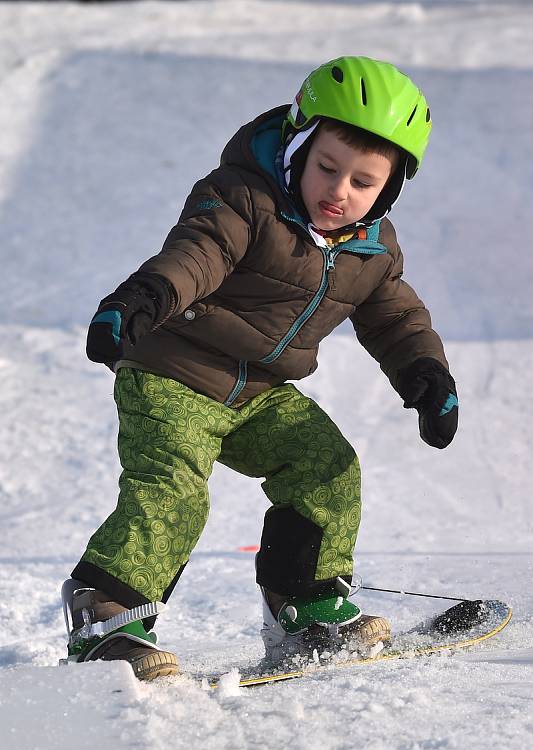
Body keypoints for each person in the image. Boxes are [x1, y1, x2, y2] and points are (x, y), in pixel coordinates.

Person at [61, 56, 458, 680]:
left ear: (391, 188)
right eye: (327, 167)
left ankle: (304, 606)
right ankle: (104, 618)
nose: (339, 192)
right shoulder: (242, 200)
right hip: (174, 371)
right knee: (174, 491)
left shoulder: (371, 248)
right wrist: (143, 299)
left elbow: (396, 318)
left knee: (325, 465)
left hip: (258, 393)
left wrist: (427, 377)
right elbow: (198, 254)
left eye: (364, 182)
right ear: (299, 146)